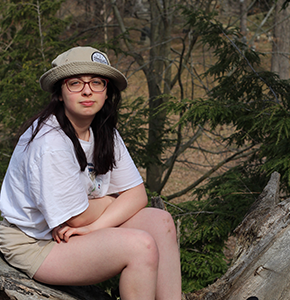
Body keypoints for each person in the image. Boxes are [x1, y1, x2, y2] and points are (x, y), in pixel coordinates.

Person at [0, 46, 181, 300]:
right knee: (141, 247)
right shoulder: (50, 142)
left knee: (160, 223)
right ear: (60, 93)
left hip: (71, 232)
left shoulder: (103, 131)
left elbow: (138, 195)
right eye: (75, 83)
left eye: (97, 82)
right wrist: (113, 201)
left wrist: (95, 225)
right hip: (35, 244)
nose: (87, 90)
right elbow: (76, 218)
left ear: (107, 91)